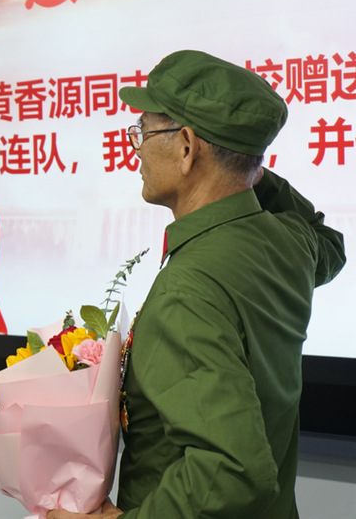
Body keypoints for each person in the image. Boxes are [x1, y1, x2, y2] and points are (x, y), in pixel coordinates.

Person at [48, 50, 345, 518]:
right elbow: (330, 242)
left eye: (143, 131)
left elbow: (234, 471)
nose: (136, 148)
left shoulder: (186, 292)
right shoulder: (290, 242)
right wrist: (243, 160)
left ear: (187, 147)